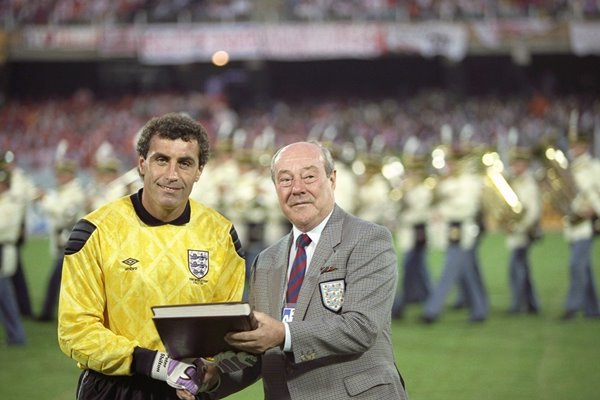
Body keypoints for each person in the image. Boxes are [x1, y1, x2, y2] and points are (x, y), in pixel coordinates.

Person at [57, 113, 249, 399]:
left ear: (199, 171)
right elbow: (75, 330)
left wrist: (209, 369)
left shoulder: (221, 236)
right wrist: (154, 363)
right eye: (162, 160)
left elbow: (223, 329)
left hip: (187, 389)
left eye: (184, 163)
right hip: (114, 388)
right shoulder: (96, 231)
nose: (172, 175)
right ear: (142, 164)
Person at [205, 141, 407, 399]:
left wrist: (283, 334)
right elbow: (260, 349)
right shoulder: (266, 261)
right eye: (285, 180)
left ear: (332, 180)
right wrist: (214, 376)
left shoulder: (368, 239)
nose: (297, 189)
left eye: (309, 176)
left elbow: (361, 327)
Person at [420, 147, 488, 324]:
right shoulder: (449, 182)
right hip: (451, 229)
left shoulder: (470, 182)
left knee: (449, 271)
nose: (449, 166)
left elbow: (466, 209)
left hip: (462, 230)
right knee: (467, 272)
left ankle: (431, 310)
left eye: (453, 162)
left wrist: (444, 208)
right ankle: (479, 309)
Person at [37, 146, 87, 321]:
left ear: (69, 175)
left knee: (58, 281)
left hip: (71, 240)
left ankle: (48, 313)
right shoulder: (66, 192)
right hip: (64, 240)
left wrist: (46, 202)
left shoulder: (75, 193)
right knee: (66, 281)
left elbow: (67, 216)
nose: (58, 178)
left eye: (61, 175)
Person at [560, 130, 600, 320]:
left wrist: (594, 209)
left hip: (587, 223)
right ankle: (593, 309)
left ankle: (572, 307)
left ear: (585, 146)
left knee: (576, 264)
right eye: (572, 145)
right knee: (584, 267)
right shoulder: (569, 168)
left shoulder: (594, 167)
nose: (573, 149)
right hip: (573, 223)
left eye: (576, 145)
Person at [505, 147, 542, 314]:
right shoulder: (513, 182)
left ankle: (517, 305)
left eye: (519, 164)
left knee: (516, 268)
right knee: (523, 268)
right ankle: (532, 304)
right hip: (516, 230)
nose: (516, 167)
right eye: (514, 164)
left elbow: (533, 210)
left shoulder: (529, 183)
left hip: (524, 232)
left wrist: (519, 227)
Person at [0, 163, 27, 345]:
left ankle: (17, 336)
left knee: (6, 296)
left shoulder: (11, 203)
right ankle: (15, 335)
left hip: (3, 250)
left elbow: (3, 227)